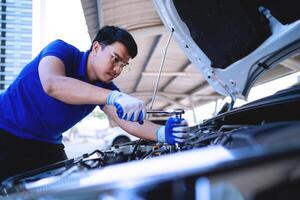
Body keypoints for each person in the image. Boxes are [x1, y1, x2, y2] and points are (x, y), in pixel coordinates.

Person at [0, 26, 189, 181]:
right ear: (96, 48)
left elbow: (126, 120)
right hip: (5, 132)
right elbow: (53, 84)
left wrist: (161, 133)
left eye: (123, 65)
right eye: (115, 59)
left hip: (47, 143)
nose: (117, 69)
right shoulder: (61, 51)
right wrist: (112, 97)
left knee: (68, 189)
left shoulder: (105, 88)